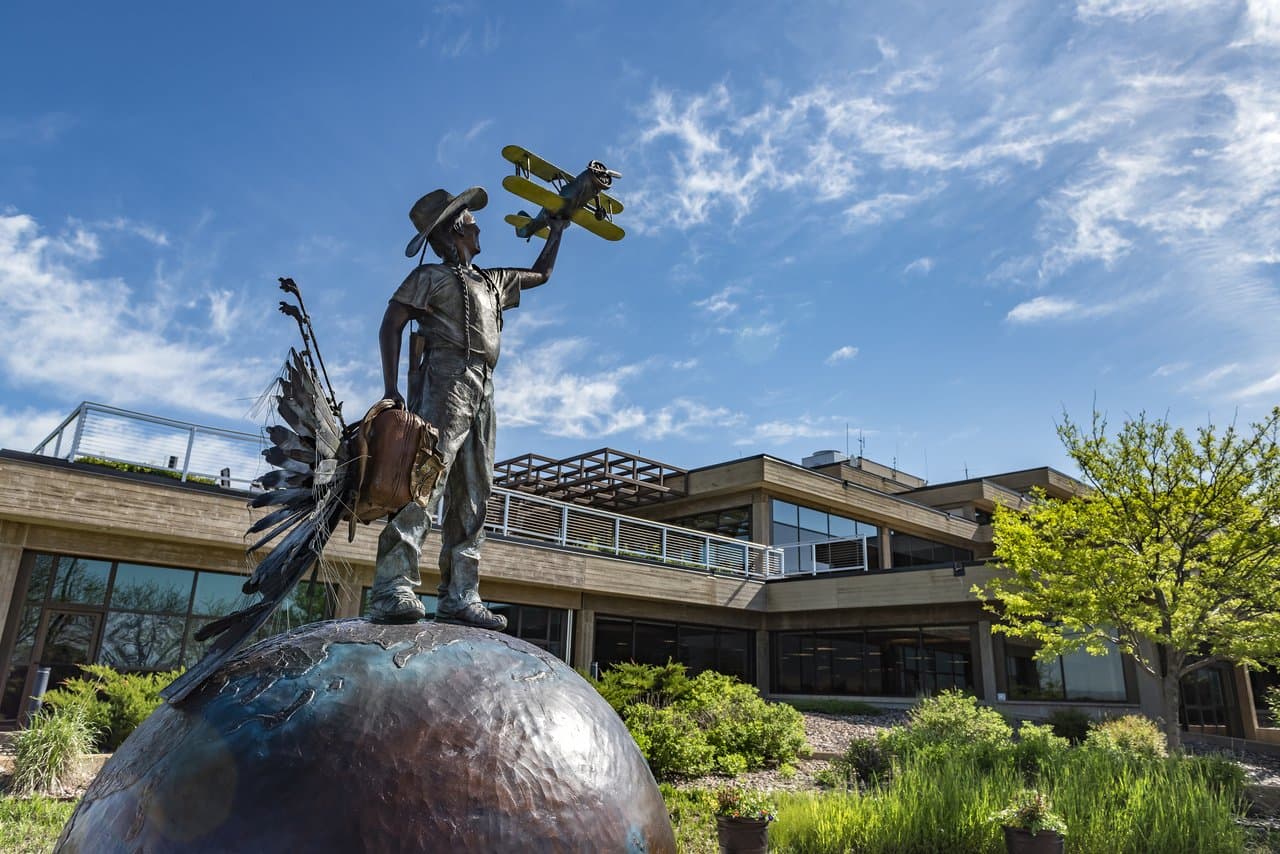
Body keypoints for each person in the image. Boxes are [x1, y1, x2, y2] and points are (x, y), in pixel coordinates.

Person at [369, 187, 569, 629]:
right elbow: (392, 324)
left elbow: (542, 273)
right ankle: (392, 586)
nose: (480, 225)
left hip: (484, 385)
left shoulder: (491, 281)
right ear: (457, 227)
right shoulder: (430, 278)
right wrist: (391, 389)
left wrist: (557, 230)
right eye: (472, 220)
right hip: (444, 375)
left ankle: (461, 594)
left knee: (476, 490)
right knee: (428, 477)